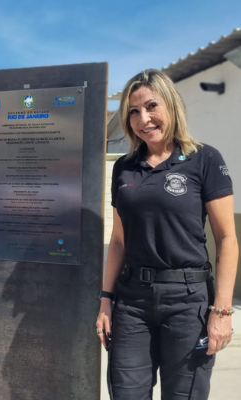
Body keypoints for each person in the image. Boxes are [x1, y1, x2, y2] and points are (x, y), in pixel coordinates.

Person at [97, 69, 235, 399]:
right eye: (133, 111)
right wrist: (106, 301)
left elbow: (228, 239)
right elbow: (119, 240)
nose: (143, 118)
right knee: (126, 393)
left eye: (151, 106)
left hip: (188, 301)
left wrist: (222, 311)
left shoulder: (205, 159)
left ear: (171, 106)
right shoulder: (125, 167)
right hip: (132, 303)